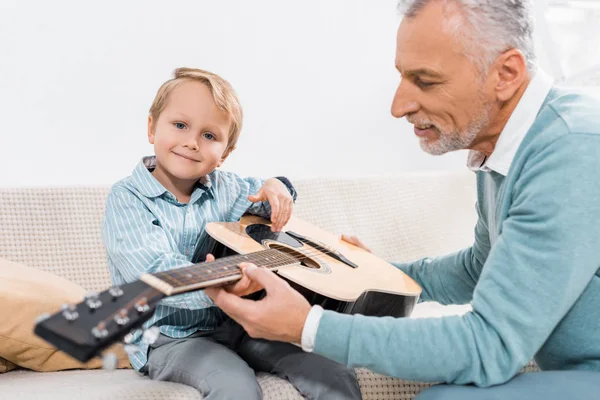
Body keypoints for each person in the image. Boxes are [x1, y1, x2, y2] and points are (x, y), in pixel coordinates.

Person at [205, 1, 600, 398]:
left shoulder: (572, 149)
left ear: (506, 74)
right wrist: (372, 277)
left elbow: (489, 346)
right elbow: (480, 268)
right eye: (402, 77)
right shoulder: (506, 149)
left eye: (425, 81)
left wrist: (308, 326)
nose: (399, 107)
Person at [102, 67, 361, 400]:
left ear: (224, 154)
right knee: (235, 385)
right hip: (171, 336)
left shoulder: (227, 188)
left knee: (333, 372)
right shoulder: (127, 199)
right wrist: (223, 284)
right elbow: (159, 275)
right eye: (180, 125)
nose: (191, 142)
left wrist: (277, 187)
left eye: (209, 136)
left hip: (241, 324)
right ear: (152, 127)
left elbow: (266, 201)